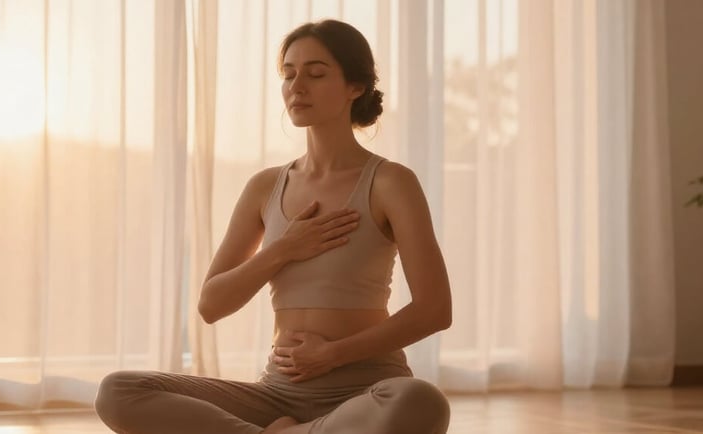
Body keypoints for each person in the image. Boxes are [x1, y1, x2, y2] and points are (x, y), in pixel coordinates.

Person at [96, 19, 452, 434]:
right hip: (276, 395)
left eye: (316, 74)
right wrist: (283, 249)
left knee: (419, 402)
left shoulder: (391, 182)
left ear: (356, 86)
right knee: (119, 391)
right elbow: (212, 305)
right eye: (288, 74)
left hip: (364, 391)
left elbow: (435, 310)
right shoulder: (265, 187)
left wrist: (333, 354)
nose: (297, 86)